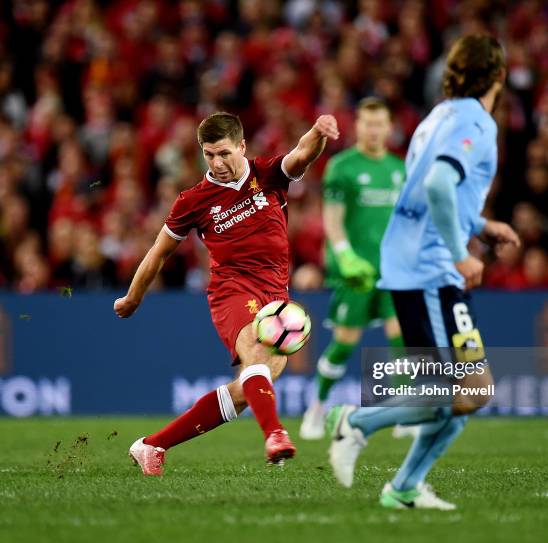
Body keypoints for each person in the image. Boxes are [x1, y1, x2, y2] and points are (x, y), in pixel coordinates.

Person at [326, 35, 520, 510]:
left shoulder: (437, 118)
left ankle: (405, 487)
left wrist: (480, 225)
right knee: (458, 390)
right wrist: (460, 250)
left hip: (421, 265)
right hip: (429, 269)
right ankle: (356, 421)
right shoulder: (475, 120)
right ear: (499, 75)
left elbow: (425, 192)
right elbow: (436, 184)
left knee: (466, 392)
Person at [115, 111, 339, 475]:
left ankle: (151, 446)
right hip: (232, 290)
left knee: (251, 383)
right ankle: (276, 434)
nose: (217, 163)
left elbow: (302, 154)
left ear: (242, 147)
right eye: (209, 155)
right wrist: (133, 297)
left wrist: (318, 131)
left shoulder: (267, 173)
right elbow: (159, 252)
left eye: (224, 153)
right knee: (254, 355)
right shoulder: (193, 200)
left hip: (276, 295)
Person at [299, 97, 415, 440]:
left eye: (380, 123)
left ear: (390, 127)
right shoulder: (342, 166)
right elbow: (332, 219)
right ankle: (316, 408)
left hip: (393, 271)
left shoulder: (399, 169)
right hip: (355, 272)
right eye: (367, 123)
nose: (374, 130)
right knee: (345, 343)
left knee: (402, 339)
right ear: (357, 126)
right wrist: (345, 255)